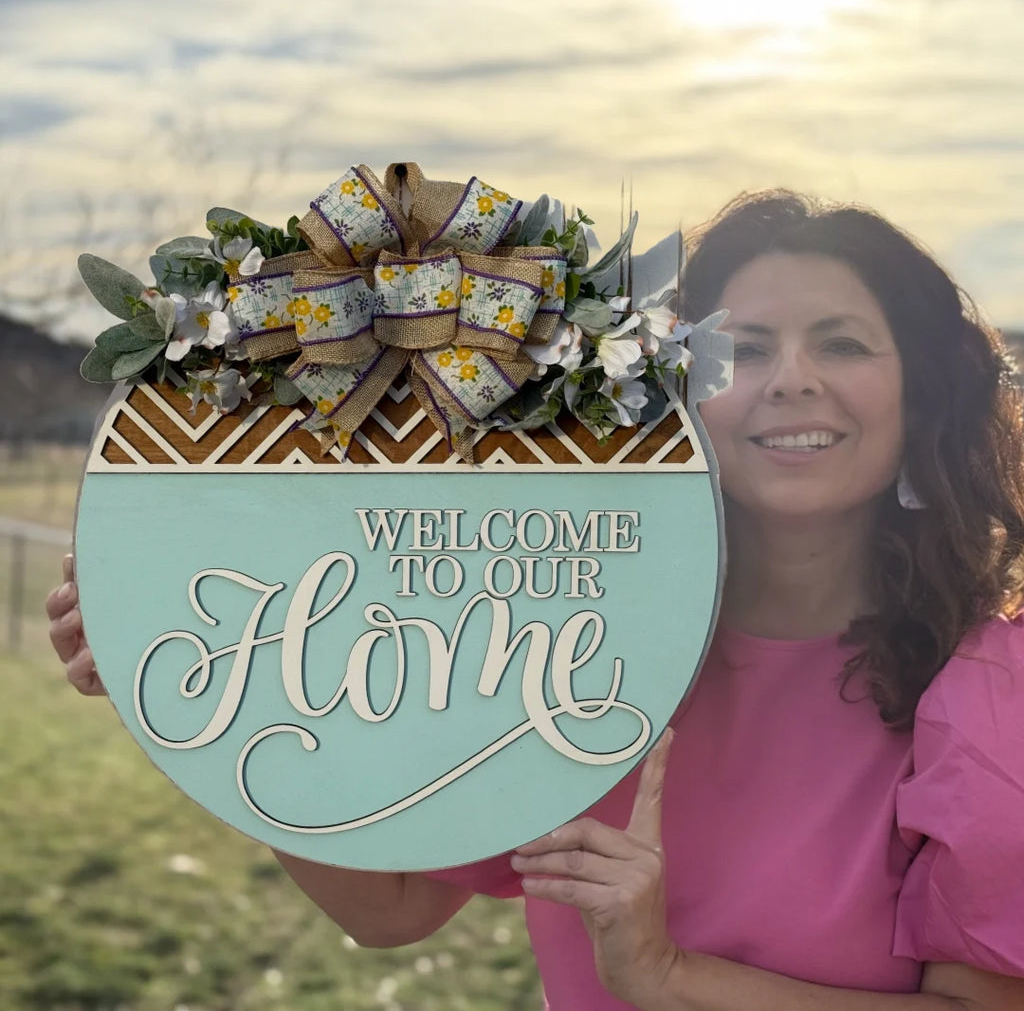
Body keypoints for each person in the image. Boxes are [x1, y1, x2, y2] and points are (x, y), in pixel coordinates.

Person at [47, 189, 1024, 1010]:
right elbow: (388, 908)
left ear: (924, 396)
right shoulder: (570, 641)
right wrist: (208, 691)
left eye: (844, 345)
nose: (792, 382)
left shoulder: (987, 688)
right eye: (749, 348)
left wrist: (671, 975)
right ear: (675, 387)